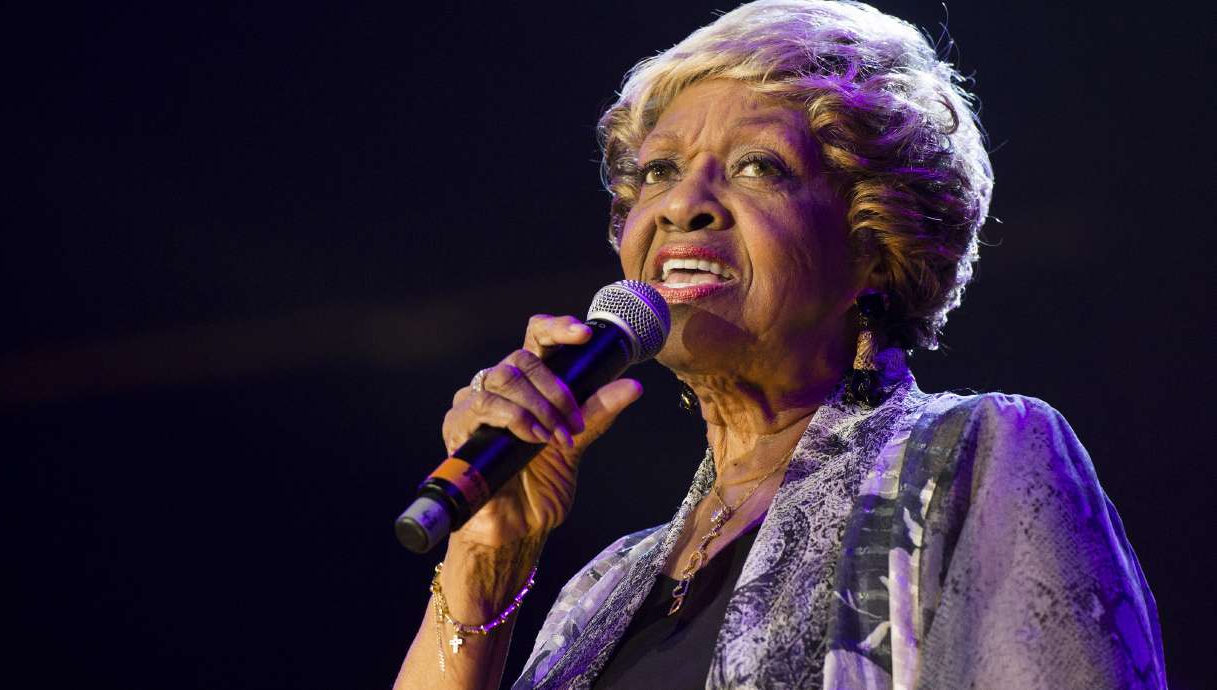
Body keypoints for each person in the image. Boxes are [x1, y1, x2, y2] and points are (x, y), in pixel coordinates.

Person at [394, 1, 1166, 688]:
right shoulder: (596, 594)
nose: (683, 205)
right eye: (660, 170)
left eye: (758, 167)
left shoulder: (974, 460)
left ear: (874, 243)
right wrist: (484, 564)